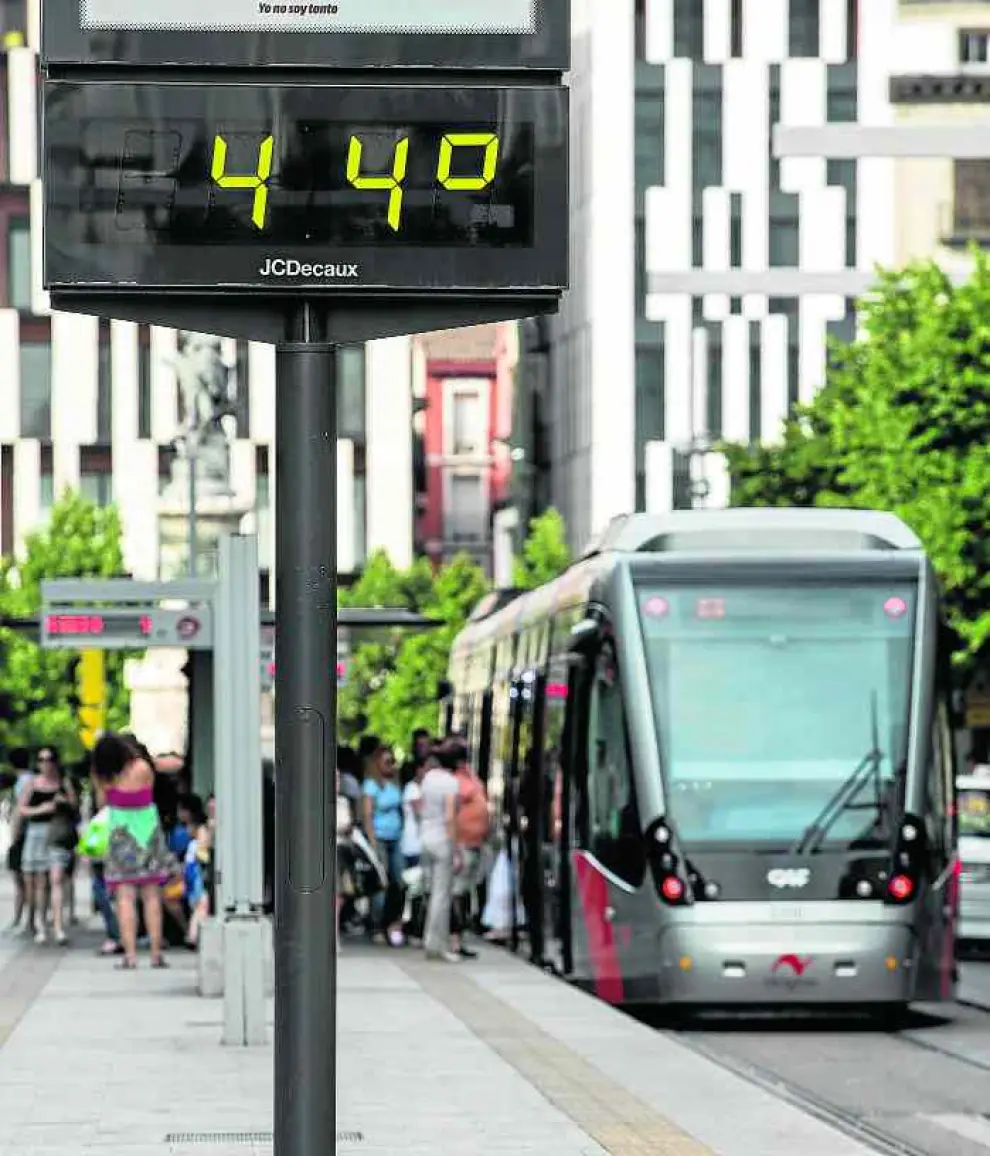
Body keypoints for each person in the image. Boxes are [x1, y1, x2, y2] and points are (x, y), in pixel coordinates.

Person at [91, 732, 177, 969]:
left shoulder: (105, 777)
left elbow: (101, 805)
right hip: (147, 832)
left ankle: (130, 955)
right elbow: (151, 789)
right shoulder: (142, 767)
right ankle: (156, 953)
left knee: (124, 897)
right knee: (151, 895)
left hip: (120, 835)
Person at [18, 747, 75, 945]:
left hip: (58, 834)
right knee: (39, 883)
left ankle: (58, 926)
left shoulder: (63, 782)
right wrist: (40, 809)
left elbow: (75, 807)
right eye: (41, 759)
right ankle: (40, 924)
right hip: (36, 834)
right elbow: (21, 809)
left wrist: (64, 802)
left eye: (49, 759)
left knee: (56, 880)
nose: (45, 763)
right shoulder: (31, 783)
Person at [419, 746, 461, 963]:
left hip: (425, 836)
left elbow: (421, 807)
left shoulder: (428, 779)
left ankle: (429, 939)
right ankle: (437, 943)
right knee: (441, 895)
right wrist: (455, 849)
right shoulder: (451, 782)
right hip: (442, 839)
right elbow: (450, 816)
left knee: (431, 891)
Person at [362, 744, 405, 947]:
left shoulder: (395, 784)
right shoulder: (371, 785)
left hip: (395, 837)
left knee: (399, 880)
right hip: (379, 836)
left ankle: (393, 923)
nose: (391, 766)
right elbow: (368, 815)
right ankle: (376, 925)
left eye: (392, 762)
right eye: (387, 762)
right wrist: (371, 840)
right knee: (381, 882)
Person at [450, 739, 488, 959]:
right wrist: (454, 847)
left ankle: (458, 938)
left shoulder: (469, 779)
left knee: (464, 892)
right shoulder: (456, 783)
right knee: (458, 893)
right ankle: (455, 939)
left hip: (473, 844)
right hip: (462, 846)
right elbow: (451, 814)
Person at [5, 748, 33, 933]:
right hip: (28, 835)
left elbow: (18, 813)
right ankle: (22, 920)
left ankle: (24, 921)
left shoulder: (22, 782)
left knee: (23, 881)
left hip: (23, 836)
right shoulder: (31, 779)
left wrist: (14, 836)